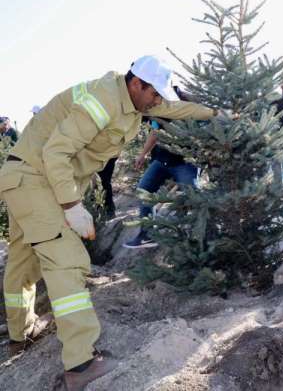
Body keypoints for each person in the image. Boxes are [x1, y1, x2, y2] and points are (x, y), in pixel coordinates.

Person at [0, 55, 216, 389]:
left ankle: (20, 333)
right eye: (154, 93)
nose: (157, 100)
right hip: (36, 178)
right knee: (67, 261)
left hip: (21, 178)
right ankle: (81, 363)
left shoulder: (135, 101)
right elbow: (56, 152)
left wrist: (217, 113)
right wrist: (71, 205)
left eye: (160, 95)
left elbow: (174, 111)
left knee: (23, 260)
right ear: (136, 83)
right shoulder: (102, 100)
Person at [123, 88, 203, 249]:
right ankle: (147, 234)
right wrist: (143, 154)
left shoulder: (188, 109)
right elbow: (155, 133)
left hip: (185, 163)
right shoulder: (158, 110)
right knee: (144, 190)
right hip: (162, 160)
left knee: (194, 198)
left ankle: (197, 239)